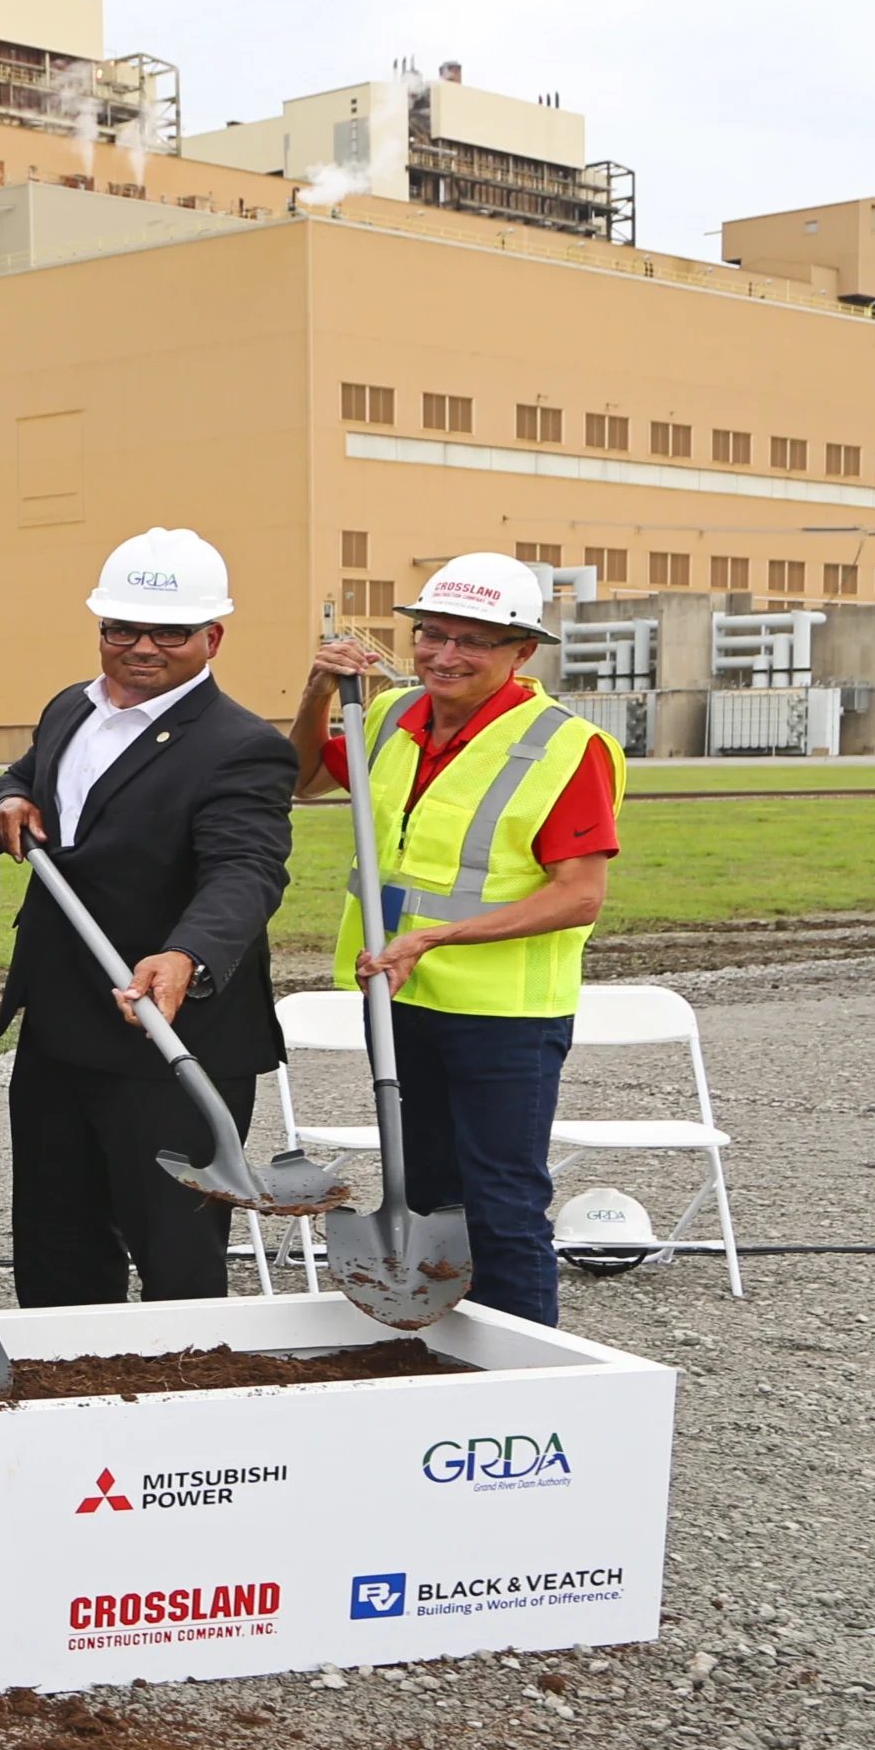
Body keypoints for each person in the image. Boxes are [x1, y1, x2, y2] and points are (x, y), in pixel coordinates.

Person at [289, 552, 620, 1326]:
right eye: (433, 635)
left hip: (507, 1015)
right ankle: (442, 1350)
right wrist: (317, 693)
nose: (444, 655)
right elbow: (302, 780)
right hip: (402, 999)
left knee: (502, 1203)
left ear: (521, 652)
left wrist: (436, 939)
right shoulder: (393, 721)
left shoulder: (565, 746)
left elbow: (578, 896)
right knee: (429, 1188)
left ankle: (527, 1373)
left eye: (472, 641)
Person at [0, 527, 299, 1304]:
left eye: (169, 632)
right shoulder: (70, 707)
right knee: (58, 1240)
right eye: (121, 628)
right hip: (62, 1022)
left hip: (169, 1031)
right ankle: (71, 1393)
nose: (141, 647)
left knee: (175, 1247)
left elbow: (246, 869)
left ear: (212, 637)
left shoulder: (242, 746)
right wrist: (11, 797)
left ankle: (184, 1395)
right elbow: (29, 774)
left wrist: (187, 954)